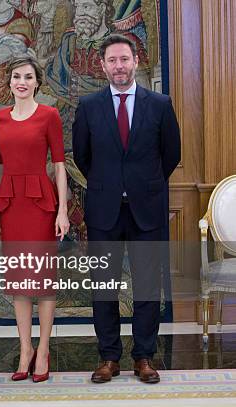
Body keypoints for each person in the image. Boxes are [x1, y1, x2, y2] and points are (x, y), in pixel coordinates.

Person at [72, 34, 180, 384]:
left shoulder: (160, 104)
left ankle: (144, 357)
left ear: (136, 61)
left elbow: (171, 154)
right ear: (103, 65)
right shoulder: (88, 106)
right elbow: (82, 156)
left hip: (147, 210)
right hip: (104, 211)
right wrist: (111, 186)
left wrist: (141, 186)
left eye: (124, 59)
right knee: (103, 286)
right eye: (112, 60)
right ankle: (108, 357)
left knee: (148, 286)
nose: (119, 66)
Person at [0, 57, 69, 383]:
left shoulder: (49, 115)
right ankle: (25, 350)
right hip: (11, 206)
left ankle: (44, 350)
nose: (21, 82)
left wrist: (62, 210)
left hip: (41, 204)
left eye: (28, 77)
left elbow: (60, 165)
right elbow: (2, 166)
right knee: (19, 284)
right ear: (9, 82)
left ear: (37, 82)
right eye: (16, 77)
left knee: (43, 284)